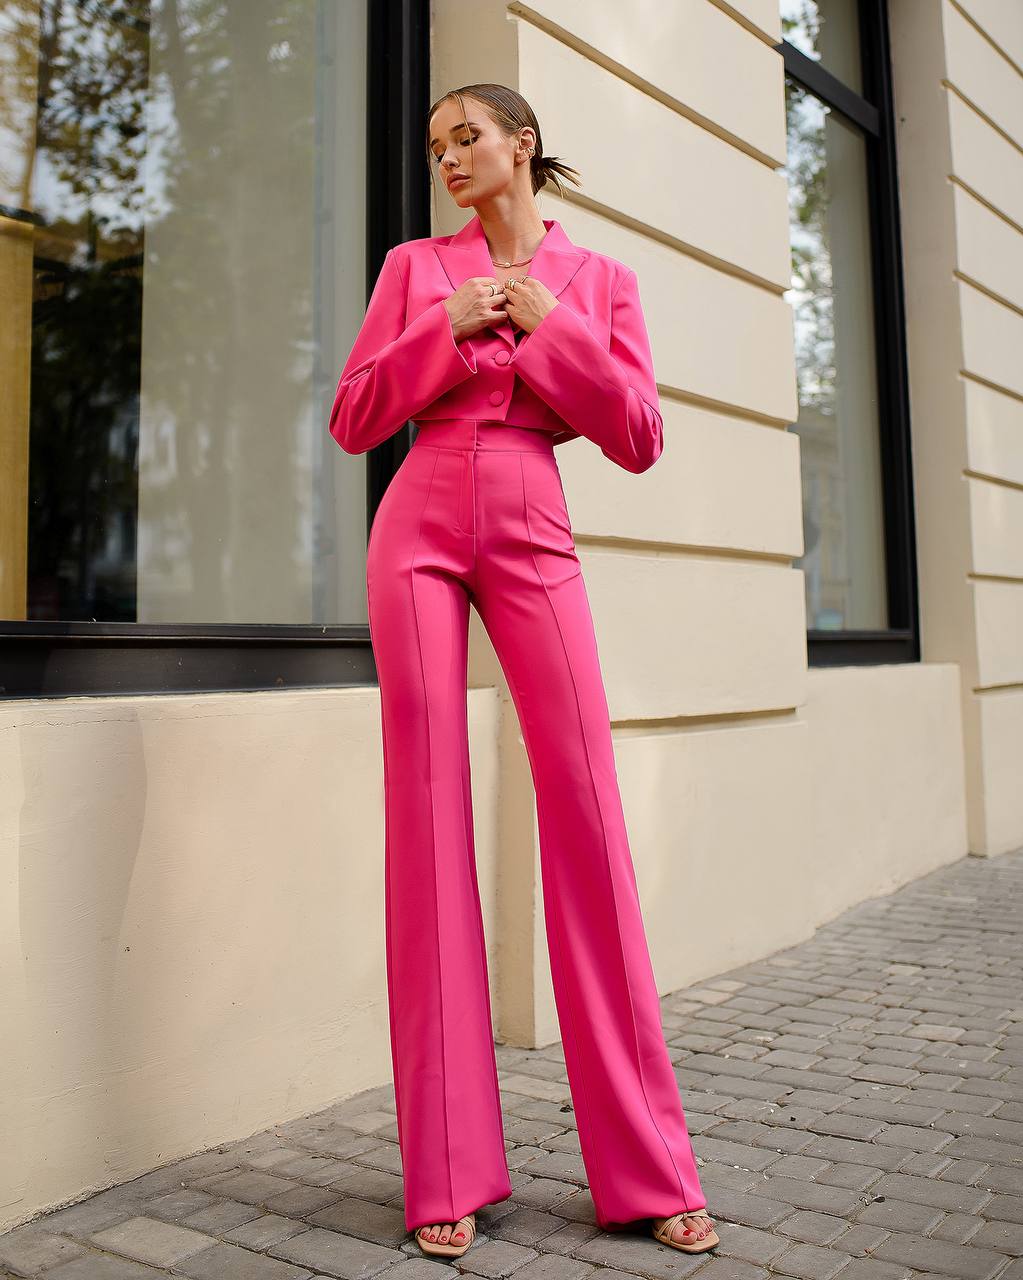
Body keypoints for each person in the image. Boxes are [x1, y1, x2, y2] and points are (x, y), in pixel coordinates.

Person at [329, 82, 718, 1261]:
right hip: (419, 524)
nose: (447, 157)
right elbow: (354, 417)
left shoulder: (600, 280)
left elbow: (640, 435)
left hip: (535, 522)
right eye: (437, 143)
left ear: (521, 146)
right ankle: (444, 1165)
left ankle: (649, 1168)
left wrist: (549, 322)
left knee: (588, 814)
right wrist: (440, 328)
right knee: (429, 814)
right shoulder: (412, 268)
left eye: (467, 137)